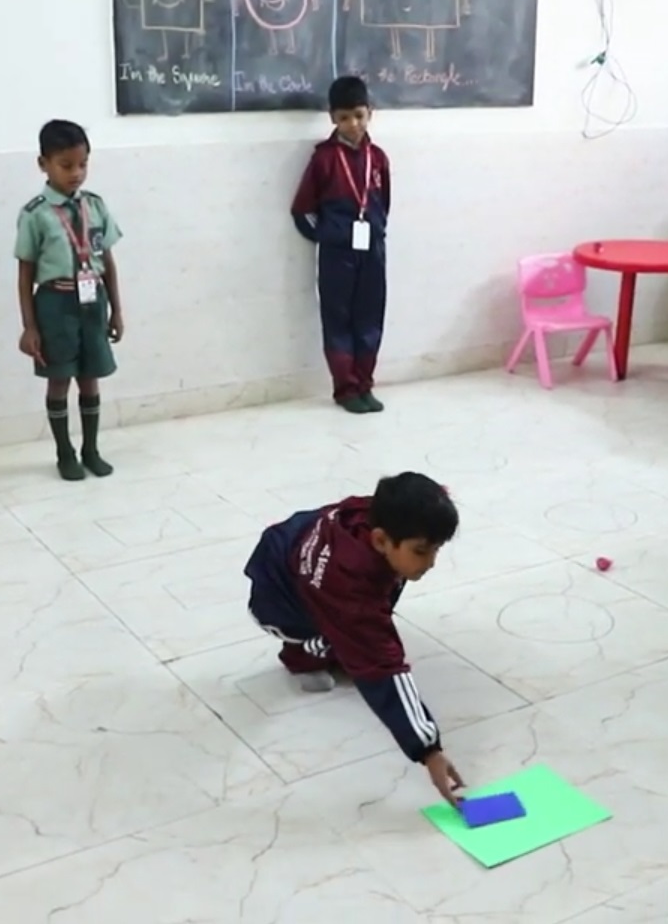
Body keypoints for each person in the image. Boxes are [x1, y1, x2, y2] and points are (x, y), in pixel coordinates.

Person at [242, 472, 466, 804]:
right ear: (380, 540)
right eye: (421, 551)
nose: (431, 562)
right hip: (279, 601)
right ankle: (301, 656)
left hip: (296, 550)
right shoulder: (349, 587)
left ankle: (338, 643)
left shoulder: (381, 515)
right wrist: (429, 750)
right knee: (359, 642)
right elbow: (383, 667)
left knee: (369, 616)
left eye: (436, 549)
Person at [15, 120, 125, 481]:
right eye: (66, 165)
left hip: (93, 303)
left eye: (83, 164)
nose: (76, 173)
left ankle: (91, 450)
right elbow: (25, 273)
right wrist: (30, 326)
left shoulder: (95, 206)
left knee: (90, 377)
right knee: (60, 378)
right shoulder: (35, 214)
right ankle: (65, 453)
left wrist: (116, 310)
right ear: (43, 164)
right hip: (55, 305)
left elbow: (107, 261)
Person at [292, 76, 392, 414]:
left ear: (370, 113)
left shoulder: (379, 158)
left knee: (371, 317)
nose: (353, 124)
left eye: (359, 115)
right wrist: (328, 237)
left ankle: (365, 384)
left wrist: (375, 232)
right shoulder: (323, 159)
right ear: (332, 117)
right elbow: (301, 210)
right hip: (338, 255)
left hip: (373, 252)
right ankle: (345, 388)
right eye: (345, 117)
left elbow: (384, 204)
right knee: (338, 319)